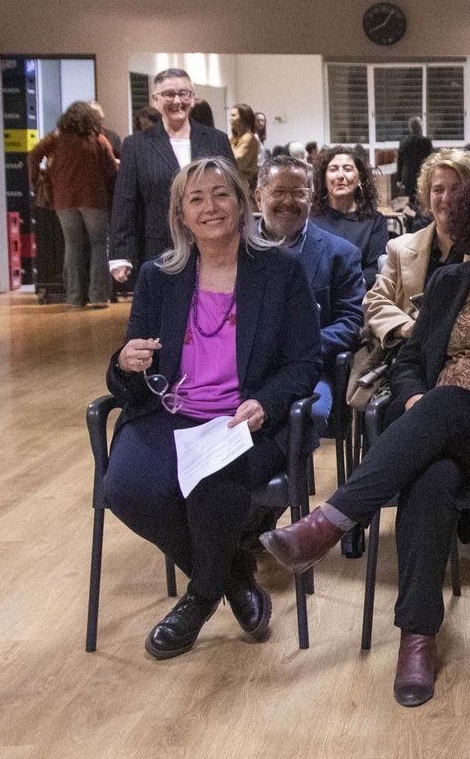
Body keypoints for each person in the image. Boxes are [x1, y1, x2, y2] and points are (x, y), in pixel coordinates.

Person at [260, 169, 470, 707]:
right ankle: (417, 639)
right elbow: (412, 362)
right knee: (432, 474)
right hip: (441, 427)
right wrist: (416, 400)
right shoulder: (450, 283)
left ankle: (332, 520)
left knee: (442, 408)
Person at [103, 157, 320, 659]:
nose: (210, 207)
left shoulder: (280, 271)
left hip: (242, 421)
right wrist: (123, 363)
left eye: (221, 194)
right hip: (168, 413)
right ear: (180, 215)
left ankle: (198, 599)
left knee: (212, 489)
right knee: (127, 489)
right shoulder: (160, 277)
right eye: (195, 199)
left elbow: (305, 362)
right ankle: (235, 578)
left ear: (243, 204)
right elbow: (127, 372)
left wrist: (266, 402)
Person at [349, 147, 470, 411]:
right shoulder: (400, 247)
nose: (446, 198)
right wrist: (408, 328)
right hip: (410, 365)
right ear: (426, 195)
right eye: (438, 189)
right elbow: (374, 301)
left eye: (457, 189)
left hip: (467, 365)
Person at [255, 154, 365, 435]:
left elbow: (352, 323)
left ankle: (292, 477)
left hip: (311, 369)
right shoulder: (234, 252)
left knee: (305, 414)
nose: (288, 201)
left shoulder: (341, 254)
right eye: (278, 192)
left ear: (312, 196)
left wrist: (300, 347)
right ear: (259, 197)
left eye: (298, 192)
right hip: (243, 370)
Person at [109, 68, 233, 283]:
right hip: (159, 249)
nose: (177, 100)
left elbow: (233, 194)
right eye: (169, 94)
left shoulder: (217, 140)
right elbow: (125, 201)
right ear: (156, 100)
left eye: (184, 93)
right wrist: (120, 254)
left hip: (214, 248)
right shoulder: (136, 145)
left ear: (192, 99)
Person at [26, 100, 119, 308]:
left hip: (64, 200)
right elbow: (112, 170)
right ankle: (98, 296)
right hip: (94, 199)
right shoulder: (98, 139)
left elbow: (32, 157)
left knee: (73, 245)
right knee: (98, 244)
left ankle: (75, 298)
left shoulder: (55, 138)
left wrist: (37, 180)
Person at [311, 145, 389, 286]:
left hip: (359, 297)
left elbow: (375, 268)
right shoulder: (310, 219)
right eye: (333, 169)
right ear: (324, 179)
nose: (340, 176)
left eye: (347, 169)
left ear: (360, 178)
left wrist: (347, 288)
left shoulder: (375, 221)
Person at [396, 116, 434, 210]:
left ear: (410, 128)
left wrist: (399, 179)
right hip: (422, 175)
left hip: (407, 177)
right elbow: (431, 159)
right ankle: (420, 221)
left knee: (408, 203)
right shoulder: (426, 142)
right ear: (420, 127)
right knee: (422, 202)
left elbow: (400, 161)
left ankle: (408, 221)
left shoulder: (403, 142)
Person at [229, 104, 261, 191]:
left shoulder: (248, 137)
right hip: (234, 179)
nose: (230, 118)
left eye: (234, 115)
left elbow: (237, 160)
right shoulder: (235, 137)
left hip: (242, 181)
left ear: (243, 118)